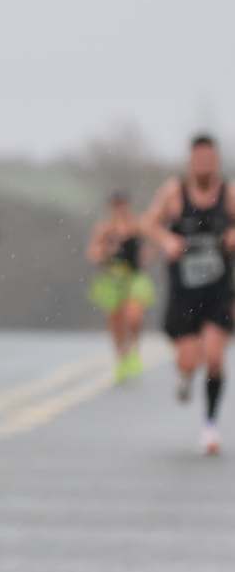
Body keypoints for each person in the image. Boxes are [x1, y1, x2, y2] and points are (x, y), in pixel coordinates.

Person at [140, 134, 235, 455]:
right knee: (189, 359)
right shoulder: (174, 192)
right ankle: (184, 375)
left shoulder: (229, 193)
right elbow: (147, 223)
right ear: (191, 161)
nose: (204, 164)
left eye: (210, 159)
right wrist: (166, 240)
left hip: (218, 290)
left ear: (216, 161)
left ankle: (210, 426)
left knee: (215, 358)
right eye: (199, 159)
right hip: (184, 293)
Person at [86, 191, 155, 383]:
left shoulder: (138, 226)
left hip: (134, 278)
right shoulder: (104, 229)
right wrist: (106, 251)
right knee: (116, 320)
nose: (119, 209)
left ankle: (134, 350)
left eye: (122, 205)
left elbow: (151, 246)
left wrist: (145, 255)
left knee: (134, 316)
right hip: (112, 279)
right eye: (116, 206)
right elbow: (93, 253)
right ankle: (121, 357)